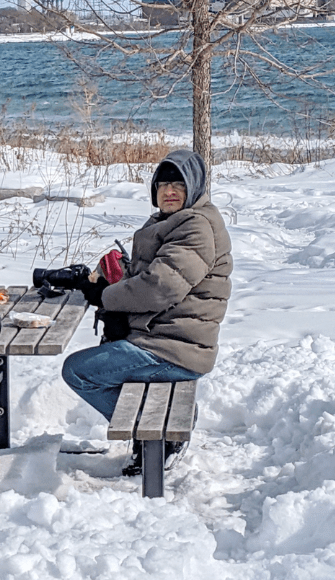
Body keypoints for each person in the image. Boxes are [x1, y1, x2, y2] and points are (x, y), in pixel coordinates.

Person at [62, 149, 232, 475]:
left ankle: (156, 436)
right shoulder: (180, 219)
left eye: (178, 185)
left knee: (78, 372)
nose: (169, 191)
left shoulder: (194, 227)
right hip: (172, 341)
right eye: (163, 184)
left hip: (172, 350)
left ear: (193, 187)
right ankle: (155, 428)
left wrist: (107, 297)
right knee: (99, 362)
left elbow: (160, 287)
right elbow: (155, 277)